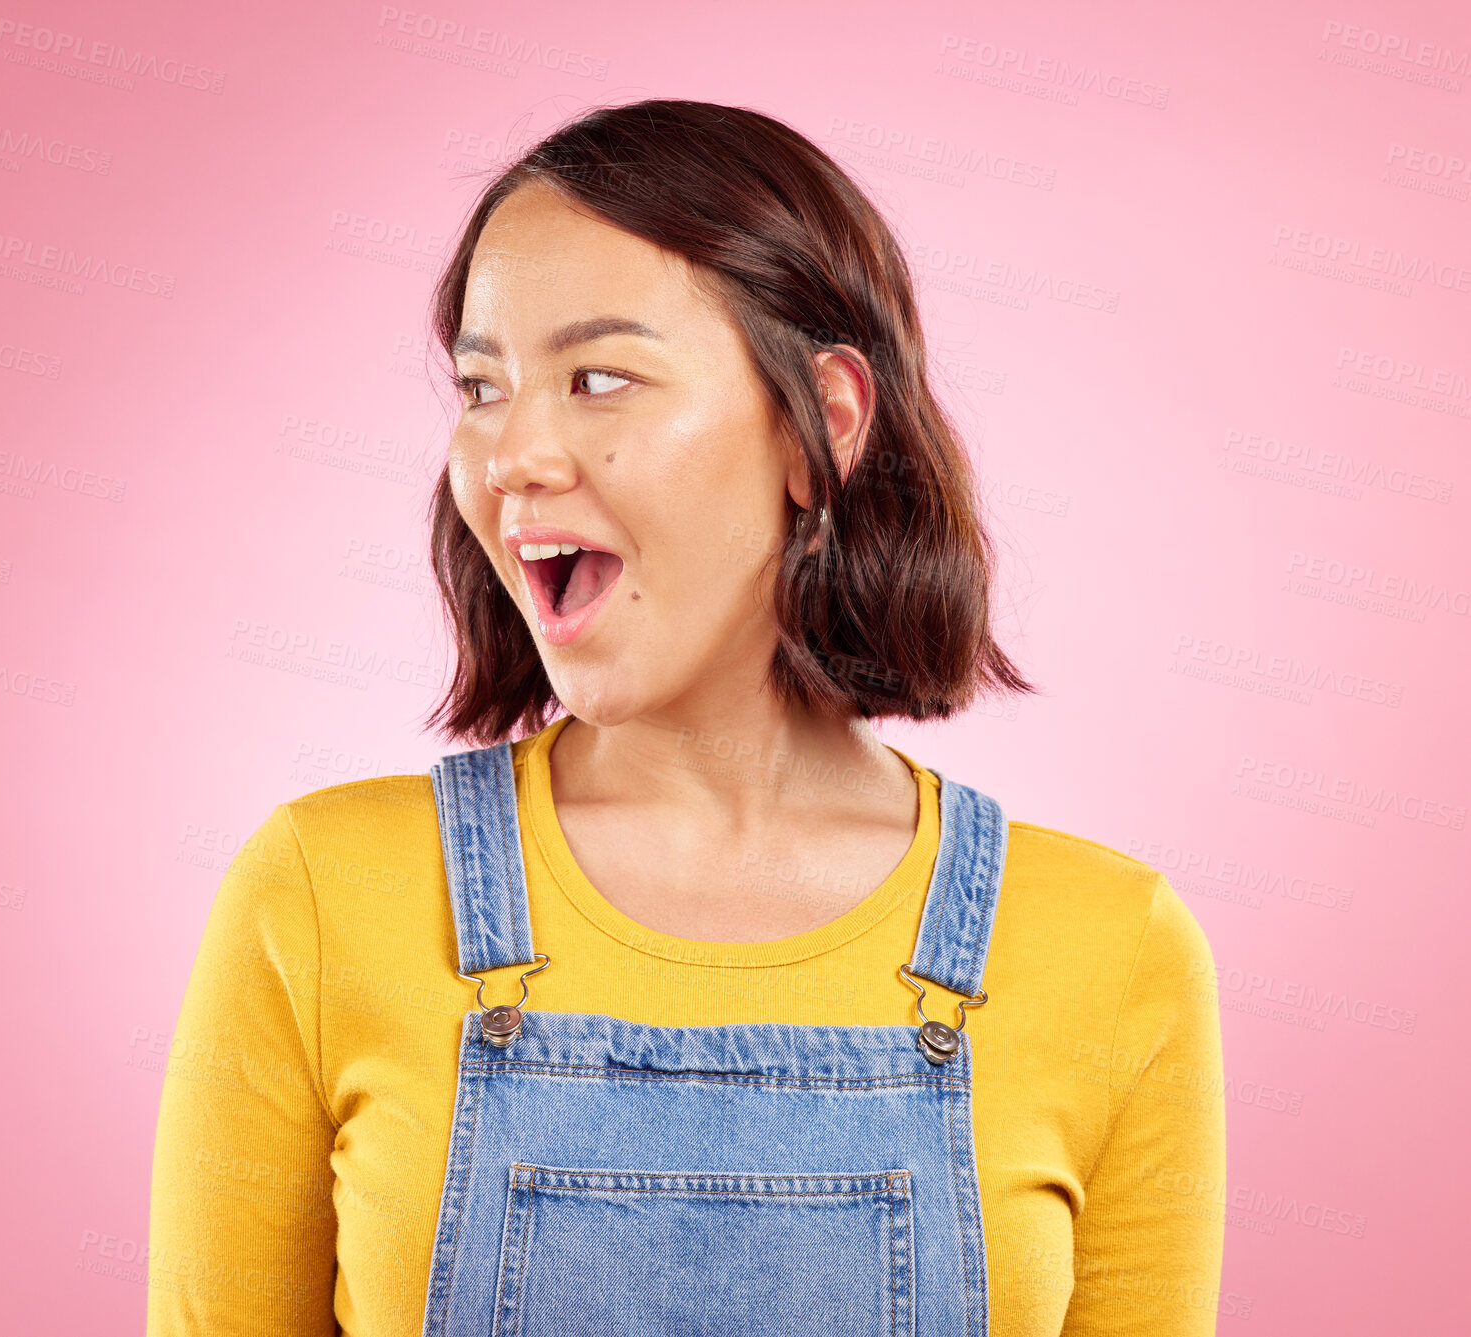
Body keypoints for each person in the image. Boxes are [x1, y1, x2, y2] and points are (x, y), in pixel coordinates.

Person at [147, 99, 1225, 1337]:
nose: (513, 456)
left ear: (822, 424)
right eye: (484, 386)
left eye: (600, 377)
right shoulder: (323, 895)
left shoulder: (1113, 949)